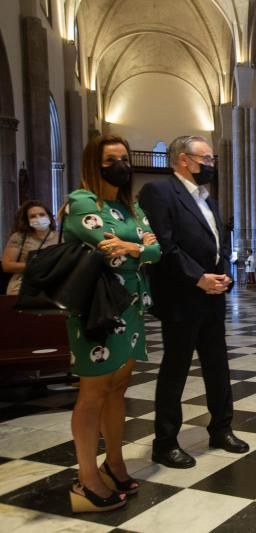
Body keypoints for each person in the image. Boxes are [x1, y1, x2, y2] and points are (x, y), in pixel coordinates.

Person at [63, 134, 161, 512]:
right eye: (110, 160)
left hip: (131, 307)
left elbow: (155, 249)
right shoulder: (81, 201)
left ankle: (114, 462)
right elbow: (104, 246)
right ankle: (86, 479)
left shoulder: (130, 207)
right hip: (98, 309)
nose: (121, 165)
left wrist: (132, 247)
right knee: (92, 392)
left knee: (118, 387)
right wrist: (138, 247)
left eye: (124, 158)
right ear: (94, 163)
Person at [139, 135, 249, 469]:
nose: (211, 165)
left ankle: (221, 428)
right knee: (176, 368)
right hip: (181, 296)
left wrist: (223, 276)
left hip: (212, 294)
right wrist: (198, 278)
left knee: (217, 365)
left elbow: (218, 242)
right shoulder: (159, 192)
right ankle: (166, 442)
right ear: (184, 159)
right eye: (207, 159)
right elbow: (166, 246)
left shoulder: (208, 199)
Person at [2, 200, 59, 295]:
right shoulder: (19, 237)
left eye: (42, 214)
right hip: (22, 286)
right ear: (27, 220)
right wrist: (37, 266)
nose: (38, 218)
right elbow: (7, 265)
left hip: (52, 285)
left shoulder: (60, 237)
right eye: (33, 216)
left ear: (49, 216)